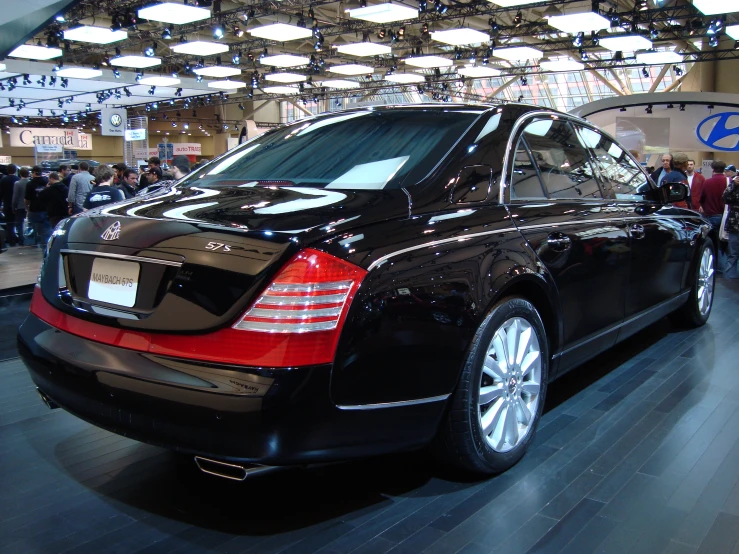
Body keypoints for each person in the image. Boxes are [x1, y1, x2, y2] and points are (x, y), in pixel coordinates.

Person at [700, 160, 731, 270]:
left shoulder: (708, 182)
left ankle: (716, 266)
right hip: (726, 216)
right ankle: (726, 268)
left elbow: (701, 198)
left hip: (711, 215)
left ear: (713, 169)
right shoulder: (729, 181)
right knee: (725, 243)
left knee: (713, 242)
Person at [24, 166, 51, 248]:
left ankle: (35, 244)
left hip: (34, 210)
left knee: (34, 229)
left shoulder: (30, 184)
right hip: (46, 209)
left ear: (33, 173)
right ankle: (45, 245)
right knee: (46, 230)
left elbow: (26, 199)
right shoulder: (47, 182)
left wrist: (27, 208)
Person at [723, 174, 739, 279]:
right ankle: (729, 279)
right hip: (735, 224)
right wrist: (734, 185)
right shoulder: (734, 184)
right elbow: (725, 198)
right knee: (732, 254)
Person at [0, 164, 19, 246]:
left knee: (9, 223)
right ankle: (18, 238)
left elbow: (0, 194)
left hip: (7, 204)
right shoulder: (18, 180)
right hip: (18, 206)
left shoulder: (3, 180)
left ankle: (10, 239)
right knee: (18, 222)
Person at [12, 167, 30, 246]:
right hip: (29, 207)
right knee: (30, 223)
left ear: (20, 174)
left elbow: (15, 197)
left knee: (19, 224)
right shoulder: (30, 182)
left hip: (20, 206)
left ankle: (21, 240)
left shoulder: (17, 183)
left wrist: (13, 206)